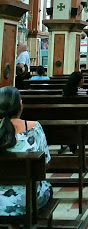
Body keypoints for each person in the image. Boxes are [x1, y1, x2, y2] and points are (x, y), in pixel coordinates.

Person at [0, 86, 53, 217]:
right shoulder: (34, 128)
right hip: (27, 199)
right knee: (47, 188)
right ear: (20, 105)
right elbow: (45, 165)